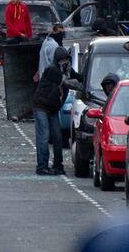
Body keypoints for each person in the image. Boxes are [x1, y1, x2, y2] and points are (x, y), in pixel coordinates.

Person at [32, 47, 77, 176]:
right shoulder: (52, 70)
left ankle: (58, 165)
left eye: (67, 59)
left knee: (57, 137)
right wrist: (80, 86)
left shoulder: (67, 71)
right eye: (62, 60)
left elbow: (78, 77)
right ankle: (42, 166)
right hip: (41, 106)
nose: (65, 62)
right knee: (44, 136)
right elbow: (66, 82)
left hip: (53, 108)